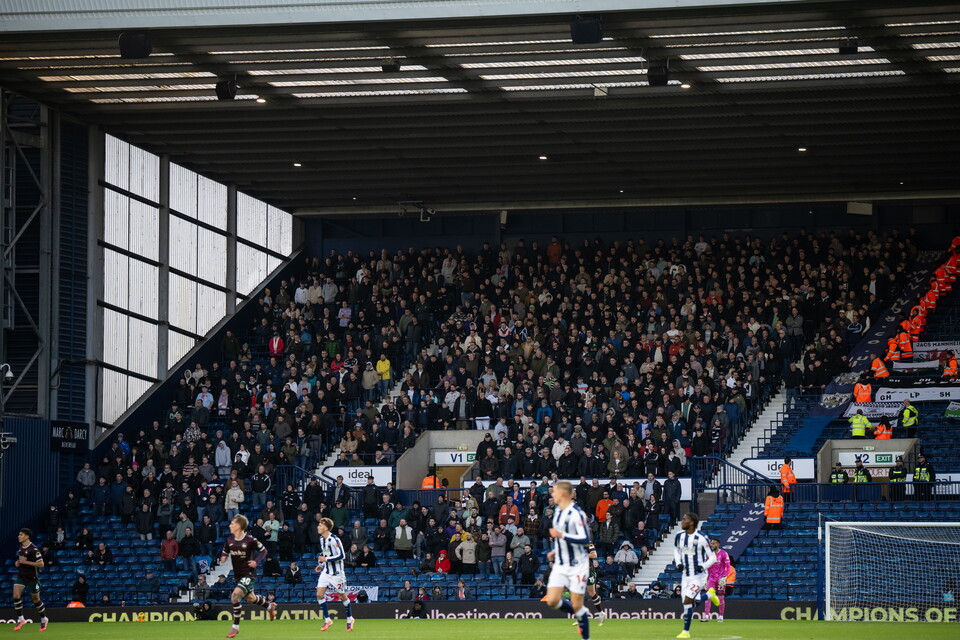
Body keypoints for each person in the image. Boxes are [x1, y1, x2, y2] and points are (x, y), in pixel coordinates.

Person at [543, 480, 592, 640]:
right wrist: (555, 551)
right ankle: (580, 615)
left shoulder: (577, 513)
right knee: (552, 600)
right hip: (561, 563)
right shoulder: (557, 512)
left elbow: (585, 538)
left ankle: (585, 635)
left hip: (578, 564)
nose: (552, 494)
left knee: (577, 603)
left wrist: (562, 535)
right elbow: (560, 540)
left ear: (563, 494)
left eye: (554, 492)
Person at [220, 514, 276, 638]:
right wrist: (223, 557)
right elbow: (225, 552)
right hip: (238, 576)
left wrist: (256, 561)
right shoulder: (229, 540)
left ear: (239, 526)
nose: (230, 525)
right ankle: (269, 606)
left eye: (232, 524)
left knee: (235, 596)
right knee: (251, 599)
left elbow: (264, 551)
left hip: (249, 574)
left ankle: (235, 627)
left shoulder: (250, 540)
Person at [673, 513, 720, 639]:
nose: (682, 521)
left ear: (692, 523)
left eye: (684, 519)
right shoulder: (679, 536)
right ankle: (710, 594)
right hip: (685, 576)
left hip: (699, 576)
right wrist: (678, 563)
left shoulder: (702, 538)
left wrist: (703, 566)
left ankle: (685, 632)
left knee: (688, 599)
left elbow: (713, 557)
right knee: (689, 604)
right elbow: (677, 551)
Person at [315, 517, 355, 632]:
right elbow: (325, 553)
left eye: (320, 525)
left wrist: (326, 559)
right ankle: (327, 620)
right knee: (319, 594)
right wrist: (321, 564)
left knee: (342, 596)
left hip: (337, 574)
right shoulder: (322, 539)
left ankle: (350, 618)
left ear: (326, 528)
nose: (318, 527)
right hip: (326, 572)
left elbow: (342, 556)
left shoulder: (334, 539)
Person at [12, 528, 48, 631]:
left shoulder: (34, 549)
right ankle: (20, 619)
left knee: (36, 600)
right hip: (21, 576)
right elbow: (21, 560)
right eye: (19, 534)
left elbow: (41, 564)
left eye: (21, 535)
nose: (19, 536)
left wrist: (25, 563)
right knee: (15, 596)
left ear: (27, 536)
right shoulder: (20, 547)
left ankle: (43, 619)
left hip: (33, 578)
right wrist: (18, 563)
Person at [702, 538, 731, 622]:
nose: (712, 545)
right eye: (711, 543)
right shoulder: (708, 555)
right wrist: (705, 579)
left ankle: (721, 616)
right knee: (708, 597)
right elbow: (707, 567)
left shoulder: (723, 553)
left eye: (714, 543)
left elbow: (728, 566)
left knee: (721, 597)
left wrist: (724, 577)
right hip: (711, 578)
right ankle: (706, 616)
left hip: (720, 579)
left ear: (718, 544)